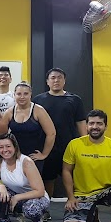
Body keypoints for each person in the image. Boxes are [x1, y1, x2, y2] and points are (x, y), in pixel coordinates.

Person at [32, 68, 87, 207]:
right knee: (47, 180)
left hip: (69, 147)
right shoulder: (38, 100)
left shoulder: (75, 100)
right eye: (53, 78)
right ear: (47, 81)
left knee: (73, 179)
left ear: (64, 80)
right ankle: (45, 209)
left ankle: (77, 209)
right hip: (47, 148)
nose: (56, 80)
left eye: (59, 77)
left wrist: (85, 145)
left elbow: (81, 123)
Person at [0, 133, 50, 222]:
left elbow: (40, 191)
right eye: (1, 147)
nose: (5, 150)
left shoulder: (26, 162)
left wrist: (17, 197)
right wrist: (0, 186)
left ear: (15, 147)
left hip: (36, 197)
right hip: (15, 196)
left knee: (31, 209)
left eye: (8, 146)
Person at [3, 82, 55, 174]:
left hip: (34, 156)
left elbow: (51, 133)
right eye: (19, 94)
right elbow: (2, 136)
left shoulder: (38, 110)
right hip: (15, 155)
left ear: (30, 95)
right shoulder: (9, 112)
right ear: (14, 95)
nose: (22, 97)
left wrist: (44, 154)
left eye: (26, 94)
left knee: (33, 182)